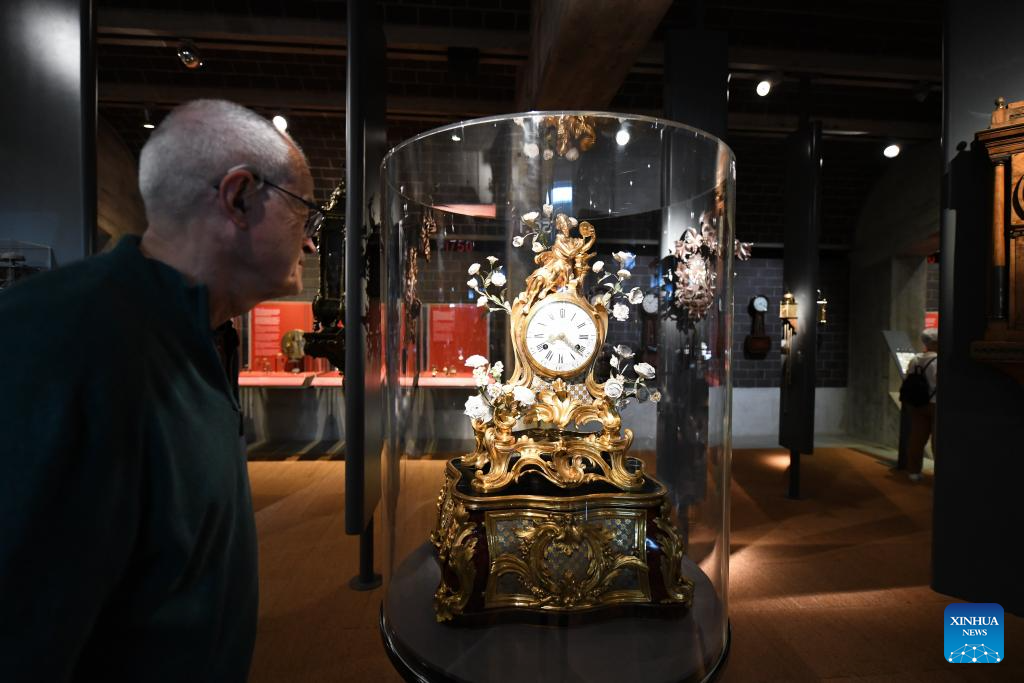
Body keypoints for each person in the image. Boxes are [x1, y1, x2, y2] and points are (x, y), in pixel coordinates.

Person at [0, 100, 318, 681]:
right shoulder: (63, 343)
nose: (311, 243)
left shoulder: (184, 331)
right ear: (239, 198)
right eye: (304, 212)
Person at [904, 327, 938, 482]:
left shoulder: (915, 359)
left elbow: (908, 378)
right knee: (937, 441)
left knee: (917, 439)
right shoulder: (938, 361)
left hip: (918, 403)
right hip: (935, 404)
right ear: (935, 343)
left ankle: (913, 471)